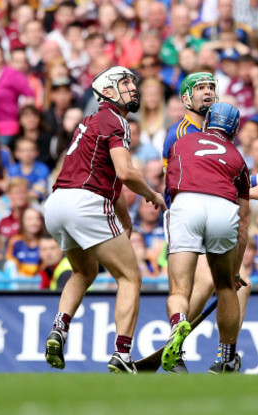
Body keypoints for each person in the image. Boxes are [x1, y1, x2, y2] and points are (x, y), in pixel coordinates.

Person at [43, 66, 166, 374]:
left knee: (83, 273)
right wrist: (153, 193)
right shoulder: (116, 120)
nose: (133, 87)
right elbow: (125, 173)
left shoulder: (89, 121)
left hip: (57, 204)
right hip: (86, 203)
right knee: (130, 278)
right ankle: (122, 354)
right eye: (125, 82)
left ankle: (59, 328)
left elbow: (111, 180)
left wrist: (125, 218)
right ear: (107, 92)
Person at [160, 72, 258, 374]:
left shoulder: (211, 141)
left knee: (237, 285)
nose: (208, 92)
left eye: (212, 87)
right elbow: (195, 182)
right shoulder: (181, 133)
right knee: (213, 282)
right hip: (190, 210)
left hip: (194, 210)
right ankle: (199, 351)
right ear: (186, 98)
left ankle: (213, 351)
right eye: (200, 88)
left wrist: (253, 187)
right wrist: (252, 190)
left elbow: (212, 178)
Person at [161, 102, 250, 374]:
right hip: (223, 209)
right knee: (225, 288)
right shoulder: (238, 159)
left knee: (180, 290)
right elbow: (243, 223)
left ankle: (178, 327)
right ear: (234, 129)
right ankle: (226, 357)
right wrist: (235, 270)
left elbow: (171, 185)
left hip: (186, 205)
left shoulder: (181, 142)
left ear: (208, 121)